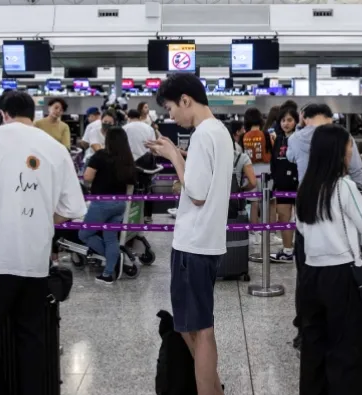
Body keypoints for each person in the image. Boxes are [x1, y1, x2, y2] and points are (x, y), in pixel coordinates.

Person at [0, 91, 86, 395]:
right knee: (31, 337)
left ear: (3, 113)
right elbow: (74, 208)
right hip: (36, 260)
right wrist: (43, 219)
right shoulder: (56, 148)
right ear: (33, 114)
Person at [144, 73, 232, 395]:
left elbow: (196, 193)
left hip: (193, 244)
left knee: (200, 329)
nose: (171, 116)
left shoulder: (203, 134)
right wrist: (178, 154)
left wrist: (173, 157)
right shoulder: (219, 132)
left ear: (185, 100)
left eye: (170, 108)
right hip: (207, 242)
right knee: (193, 327)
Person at [294, 124, 362, 395]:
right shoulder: (344, 186)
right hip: (341, 277)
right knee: (347, 352)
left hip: (310, 276)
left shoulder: (305, 188)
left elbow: (304, 229)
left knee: (314, 352)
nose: (352, 151)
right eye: (349, 146)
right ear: (338, 152)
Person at [80, 126, 136, 284]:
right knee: (111, 239)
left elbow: (88, 177)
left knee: (84, 234)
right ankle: (108, 273)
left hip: (102, 203)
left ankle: (115, 259)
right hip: (120, 204)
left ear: (107, 139)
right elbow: (131, 181)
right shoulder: (127, 158)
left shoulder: (100, 155)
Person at [270, 107, 299, 263]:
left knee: (303, 219)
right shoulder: (278, 139)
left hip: (300, 184)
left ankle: (303, 250)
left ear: (296, 121)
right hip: (282, 185)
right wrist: (275, 180)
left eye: (289, 120)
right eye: (283, 120)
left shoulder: (300, 139)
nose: (286, 123)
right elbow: (274, 162)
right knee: (283, 218)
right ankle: (287, 250)